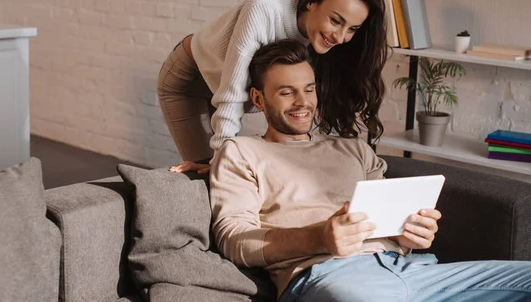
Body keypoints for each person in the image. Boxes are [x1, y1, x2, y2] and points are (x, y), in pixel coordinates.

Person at [209, 39, 531, 302]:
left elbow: (390, 225)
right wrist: (319, 237)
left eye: (309, 89)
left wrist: (408, 235)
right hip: (332, 279)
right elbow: (234, 240)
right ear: (259, 99)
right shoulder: (241, 152)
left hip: (411, 270)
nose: (302, 101)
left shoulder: (354, 149)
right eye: (286, 92)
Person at [158, 0, 387, 174]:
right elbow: (232, 95)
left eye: (352, 28)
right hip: (190, 79)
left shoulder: (326, 41)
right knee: (211, 171)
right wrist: (220, 161)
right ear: (312, 2)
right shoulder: (264, 8)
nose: (340, 37)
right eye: (335, 21)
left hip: (224, 85)